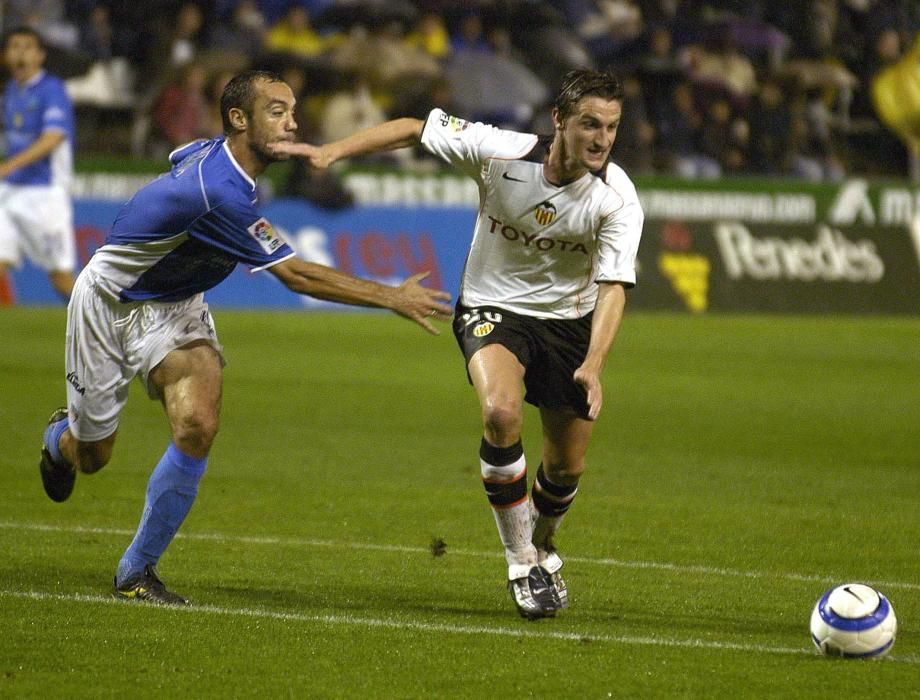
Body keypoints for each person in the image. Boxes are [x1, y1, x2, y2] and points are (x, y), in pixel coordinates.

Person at [38, 70, 453, 606]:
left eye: (292, 110)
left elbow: (180, 155)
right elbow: (297, 275)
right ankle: (59, 441)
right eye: (276, 111)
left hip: (177, 304)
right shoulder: (219, 195)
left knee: (197, 425)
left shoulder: (217, 160)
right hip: (110, 304)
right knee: (92, 456)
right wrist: (391, 296)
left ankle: (136, 573)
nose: (292, 122)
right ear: (240, 119)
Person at [275, 68, 643, 619]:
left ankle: (543, 543)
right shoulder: (500, 152)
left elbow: (614, 288)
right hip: (492, 307)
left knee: (565, 468)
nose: (602, 139)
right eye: (590, 124)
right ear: (559, 121)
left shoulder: (617, 198)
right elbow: (412, 128)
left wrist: (593, 364)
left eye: (611, 128)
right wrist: (333, 152)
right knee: (500, 412)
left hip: (570, 322)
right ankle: (521, 561)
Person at [0, 26, 77, 301]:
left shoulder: (52, 90)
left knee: (61, 279)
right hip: (8, 191)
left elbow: (52, 138)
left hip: (45, 193)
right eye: (14, 46)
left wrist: (8, 167)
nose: (20, 52)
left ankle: (107, 329)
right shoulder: (11, 91)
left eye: (27, 47)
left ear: (40, 56)